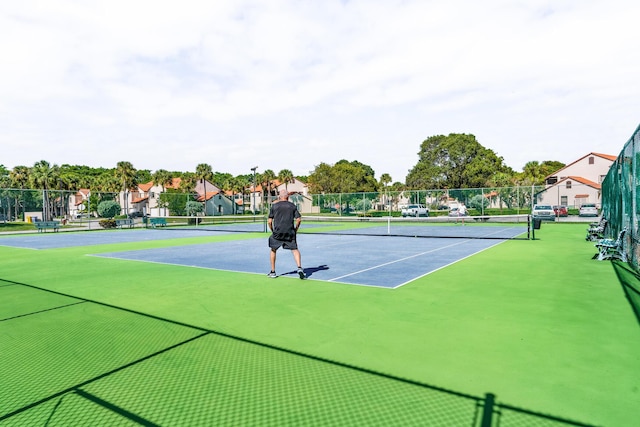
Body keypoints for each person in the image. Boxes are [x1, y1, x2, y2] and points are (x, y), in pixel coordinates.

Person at [267, 190, 305, 279]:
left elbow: (269, 221)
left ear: (280, 197)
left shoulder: (274, 206)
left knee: (273, 249)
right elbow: (299, 219)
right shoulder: (292, 206)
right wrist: (296, 229)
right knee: (295, 250)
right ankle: (299, 268)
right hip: (290, 232)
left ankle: (273, 272)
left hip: (277, 232)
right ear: (287, 197)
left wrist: (273, 230)